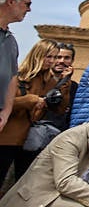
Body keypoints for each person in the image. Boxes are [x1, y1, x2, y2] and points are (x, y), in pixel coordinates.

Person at [0, 40, 54, 183]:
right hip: (7, 138)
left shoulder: (49, 81)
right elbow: (4, 104)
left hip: (28, 141)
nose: (52, 61)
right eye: (49, 56)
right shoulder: (17, 76)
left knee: (20, 184)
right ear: (38, 55)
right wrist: (28, 100)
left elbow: (56, 110)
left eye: (55, 57)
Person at [0, 0, 32, 137]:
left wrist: (6, 112)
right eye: (27, 4)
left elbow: (13, 77)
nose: (29, 10)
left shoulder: (11, 41)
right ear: (11, 1)